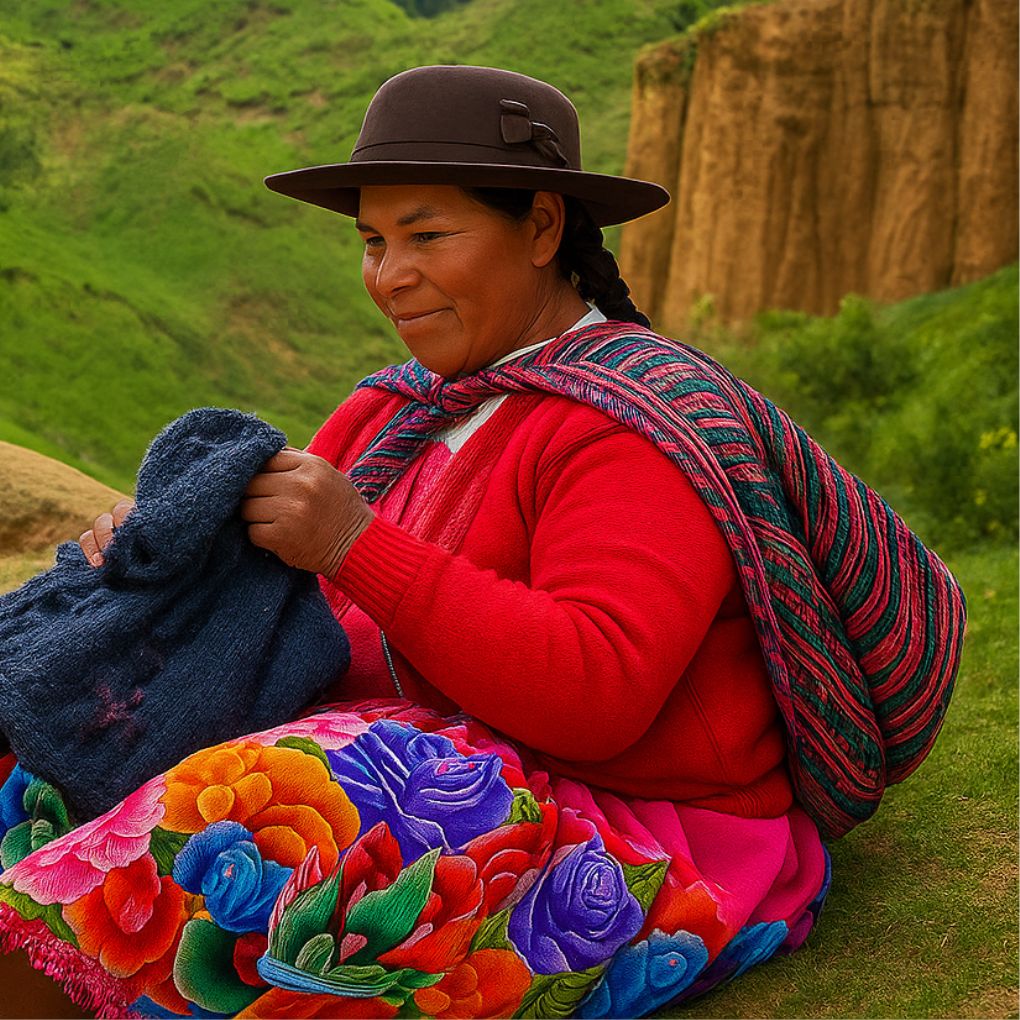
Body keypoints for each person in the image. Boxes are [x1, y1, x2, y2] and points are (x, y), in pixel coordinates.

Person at [0, 64, 963, 1019]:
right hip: (433, 763)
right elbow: (282, 595)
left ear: (542, 227)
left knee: (262, 800)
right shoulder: (394, 407)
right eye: (375, 241)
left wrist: (354, 543)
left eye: (427, 235)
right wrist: (161, 551)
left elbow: (600, 692)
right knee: (47, 732)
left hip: (636, 823)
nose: (391, 275)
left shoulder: (634, 428)